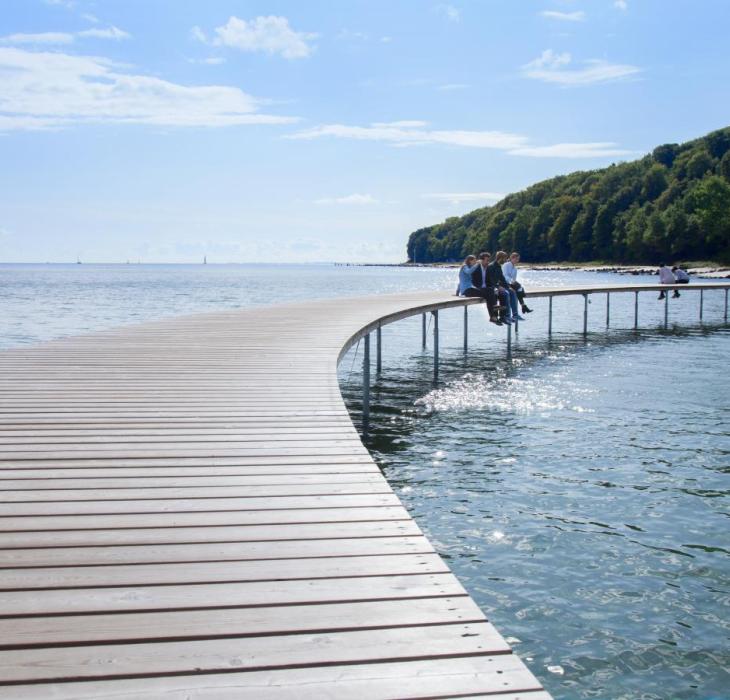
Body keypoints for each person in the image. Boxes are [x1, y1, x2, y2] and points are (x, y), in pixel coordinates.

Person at [460, 254, 502, 325]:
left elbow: (460, 283)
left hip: (470, 289)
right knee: (489, 294)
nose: (475, 262)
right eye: (474, 261)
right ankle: (494, 314)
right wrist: (477, 264)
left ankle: (493, 315)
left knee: (490, 291)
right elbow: (468, 272)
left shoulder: (470, 267)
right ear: (469, 261)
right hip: (467, 290)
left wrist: (457, 291)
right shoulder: (464, 267)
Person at [486, 251, 515, 323]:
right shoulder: (491, 266)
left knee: (511, 292)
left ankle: (504, 316)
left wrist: (508, 287)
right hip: (490, 287)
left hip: (496, 286)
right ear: (500, 258)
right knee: (506, 294)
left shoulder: (499, 266)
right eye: (505, 258)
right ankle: (505, 315)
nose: (506, 260)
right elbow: (490, 280)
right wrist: (498, 287)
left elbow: (502, 278)